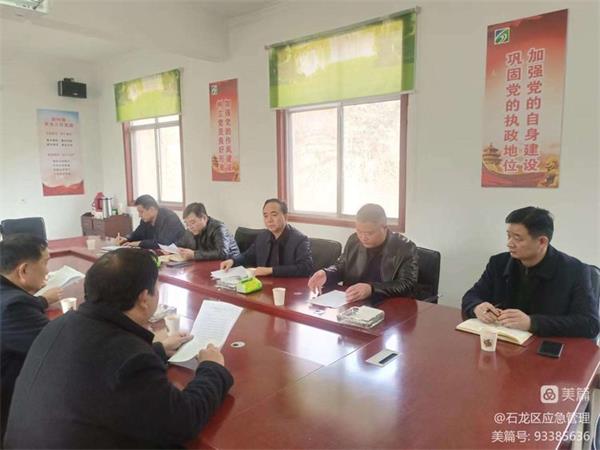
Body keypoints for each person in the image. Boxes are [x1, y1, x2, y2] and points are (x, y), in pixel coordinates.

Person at [4, 249, 234, 448]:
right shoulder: (130, 358)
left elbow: (99, 368)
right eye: (156, 287)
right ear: (144, 298)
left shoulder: (60, 324)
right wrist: (212, 368)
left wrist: (158, 350)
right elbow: (184, 421)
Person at [462, 206, 599, 338]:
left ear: (542, 241)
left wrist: (532, 323)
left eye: (517, 238)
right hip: (504, 343)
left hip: (546, 346)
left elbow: (590, 324)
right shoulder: (498, 263)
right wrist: (477, 307)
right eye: (508, 236)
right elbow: (471, 296)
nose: (509, 243)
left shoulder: (575, 271)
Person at [0, 234, 62, 437]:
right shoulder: (14, 306)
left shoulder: (9, 295)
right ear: (24, 270)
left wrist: (39, 299)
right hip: (13, 409)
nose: (48, 271)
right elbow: (59, 348)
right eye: (45, 263)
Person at [307, 203, 418, 302]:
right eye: (359, 231)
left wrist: (372, 289)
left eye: (369, 233)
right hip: (354, 302)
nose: (363, 237)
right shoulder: (354, 240)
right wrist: (327, 273)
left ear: (384, 228)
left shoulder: (405, 247)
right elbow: (342, 266)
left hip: (388, 305)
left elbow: (407, 284)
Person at [220, 199, 313, 277]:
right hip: (265, 285)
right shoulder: (263, 236)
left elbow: (305, 268)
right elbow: (248, 255)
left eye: (274, 215)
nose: (269, 220)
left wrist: (270, 270)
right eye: (265, 216)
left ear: (285, 216)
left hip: (288, 288)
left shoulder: (300, 240)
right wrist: (233, 261)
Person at [116, 194, 185, 249]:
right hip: (159, 253)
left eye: (141, 212)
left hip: (178, 254)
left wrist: (138, 243)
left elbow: (162, 242)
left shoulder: (170, 218)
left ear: (151, 209)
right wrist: (126, 238)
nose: (139, 215)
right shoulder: (145, 220)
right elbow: (137, 233)